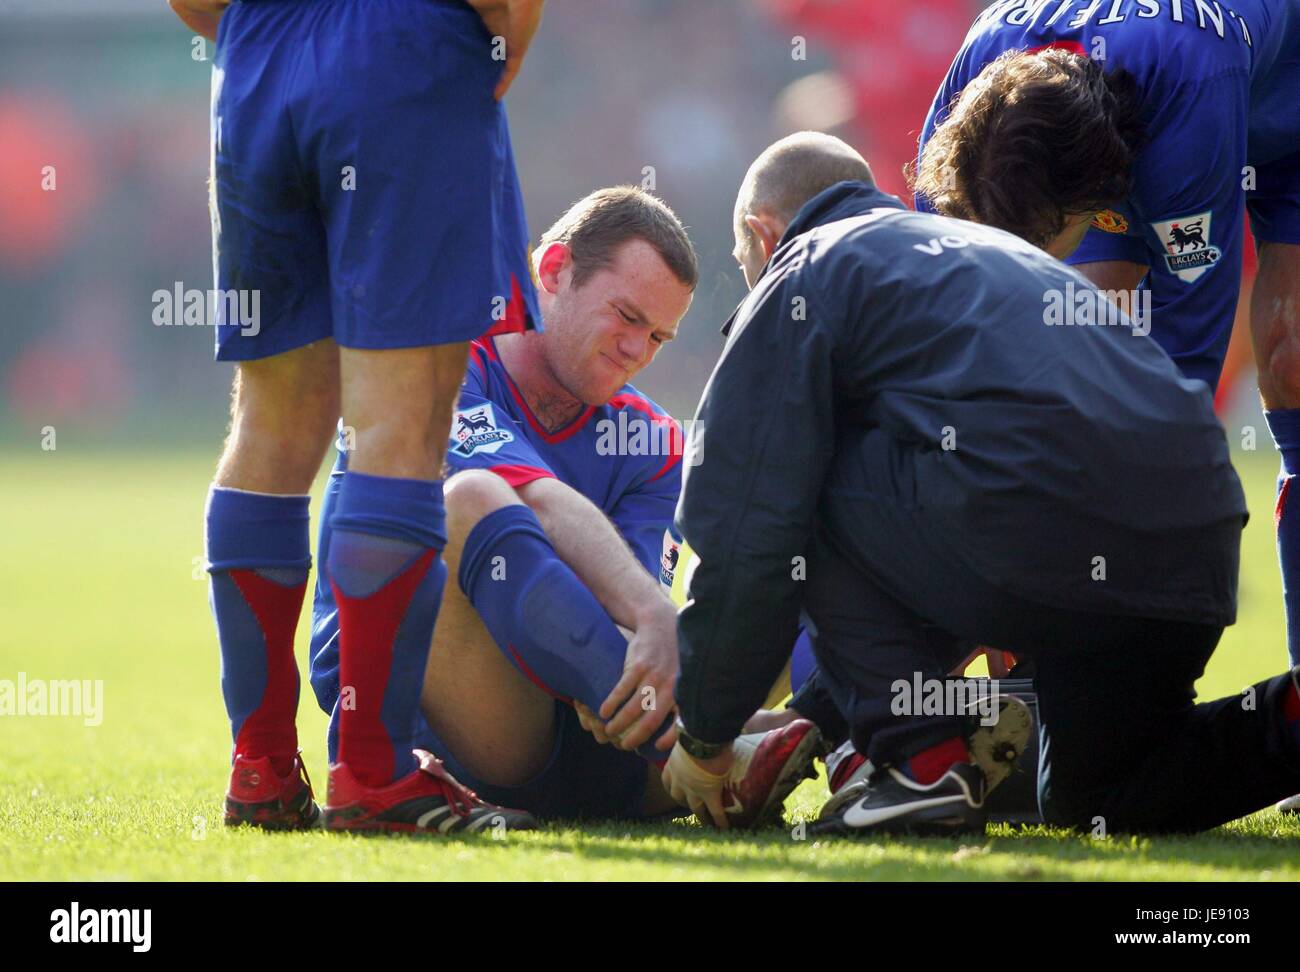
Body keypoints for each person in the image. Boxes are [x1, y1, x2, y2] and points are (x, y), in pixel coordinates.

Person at [661, 132, 1300, 835]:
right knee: (1101, 799)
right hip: (1193, 532)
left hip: (1040, 522)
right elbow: (923, 550)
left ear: (763, 232)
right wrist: (812, 714)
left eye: (742, 260)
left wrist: (706, 735)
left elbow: (746, 525)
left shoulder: (804, 267)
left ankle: (922, 764)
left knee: (794, 472)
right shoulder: (987, 251)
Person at [311, 187, 823, 825]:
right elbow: (547, 512)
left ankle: (884, 745)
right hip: (457, 733)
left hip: (607, 741)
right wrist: (648, 617)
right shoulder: (436, 363)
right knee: (471, 500)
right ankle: (714, 753)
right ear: (553, 271)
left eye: (659, 336)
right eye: (627, 317)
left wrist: (642, 626)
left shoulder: (657, 442)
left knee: (792, 539)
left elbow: (633, 635)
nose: (638, 351)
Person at [173, 0, 549, 833]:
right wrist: (502, 41)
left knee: (270, 427)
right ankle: (372, 774)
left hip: (256, 59)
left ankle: (262, 768)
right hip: (405, 50)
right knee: (401, 426)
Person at [912, 9, 1300, 808]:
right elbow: (935, 338)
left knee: (1290, 357)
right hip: (1084, 104)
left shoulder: (1191, 88)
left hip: (1264, 97)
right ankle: (1025, 686)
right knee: (1074, 332)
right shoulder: (976, 80)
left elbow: (1178, 377)